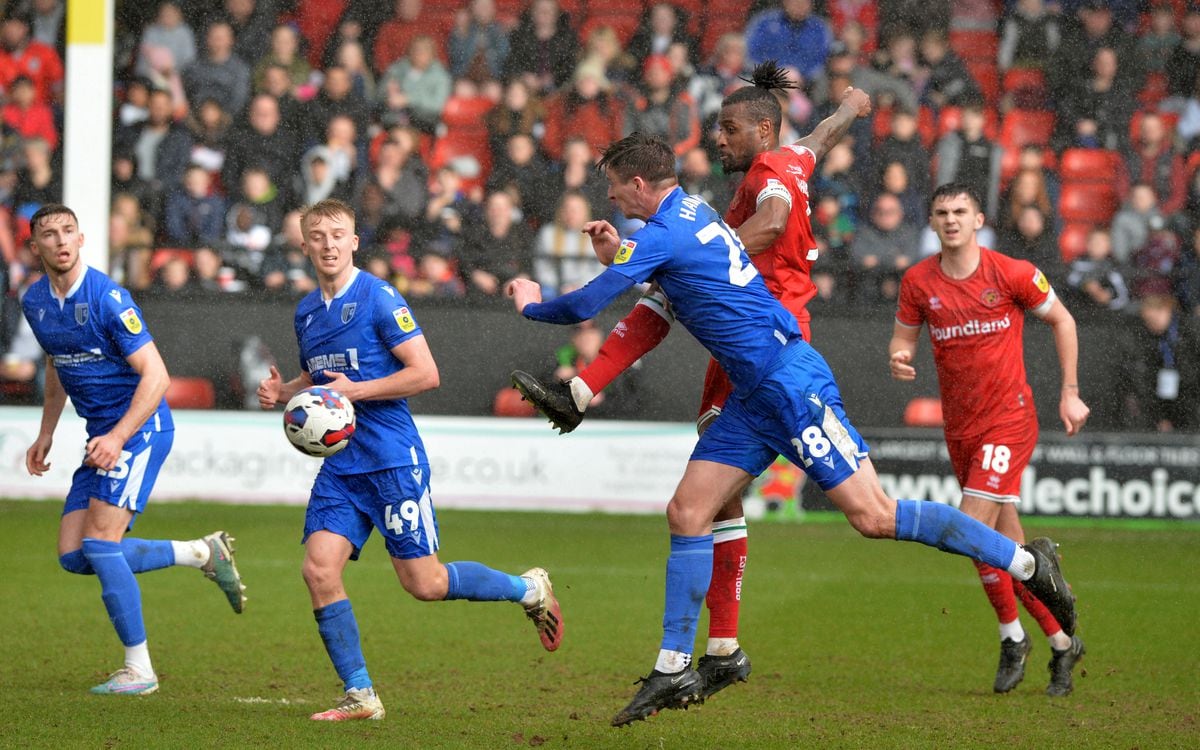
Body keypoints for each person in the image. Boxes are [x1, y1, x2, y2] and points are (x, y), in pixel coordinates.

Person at [505, 133, 1078, 725]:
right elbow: (676, 273)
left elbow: (580, 308)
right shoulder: (689, 212)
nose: (609, 193)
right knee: (688, 512)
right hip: (755, 395)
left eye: (615, 184)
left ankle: (1031, 565)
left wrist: (529, 302)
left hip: (788, 383)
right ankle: (676, 663)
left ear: (640, 185)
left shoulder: (665, 232)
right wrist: (620, 253)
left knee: (875, 517)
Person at [512, 67, 871, 704]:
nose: (717, 139)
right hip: (735, 323)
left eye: (728, 129)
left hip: (762, 330)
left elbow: (773, 218)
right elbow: (821, 135)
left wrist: (705, 247)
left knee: (868, 516)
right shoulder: (787, 156)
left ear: (762, 128)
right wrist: (852, 106)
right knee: (701, 502)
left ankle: (1018, 566)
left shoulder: (766, 177)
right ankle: (719, 651)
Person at [254, 198, 563, 722]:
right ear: (303, 245)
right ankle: (360, 695)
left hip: (393, 461)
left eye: (338, 235)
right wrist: (282, 391)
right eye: (318, 236)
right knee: (318, 569)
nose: (328, 245)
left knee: (426, 584)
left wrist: (358, 392)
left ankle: (528, 589)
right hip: (343, 467)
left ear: (354, 241)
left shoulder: (379, 298)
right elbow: (319, 379)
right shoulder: (306, 312)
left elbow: (425, 373)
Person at [20, 204, 246, 695]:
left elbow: (157, 376)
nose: (59, 240)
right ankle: (200, 552)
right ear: (34, 246)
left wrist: (119, 436)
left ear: (81, 240)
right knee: (74, 555)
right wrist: (47, 433)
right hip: (100, 435)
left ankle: (139, 670)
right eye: (48, 234)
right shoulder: (35, 300)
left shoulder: (107, 297)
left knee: (101, 544)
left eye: (67, 231)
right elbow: (58, 365)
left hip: (138, 430)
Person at [888, 183, 1090, 697]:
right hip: (961, 429)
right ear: (931, 222)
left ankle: (1010, 637)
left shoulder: (1012, 274)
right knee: (1006, 548)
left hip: (1009, 420)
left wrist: (1069, 393)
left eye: (961, 211)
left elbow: (1063, 320)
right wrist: (900, 357)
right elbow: (903, 337)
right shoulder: (917, 281)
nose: (951, 219)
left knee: (968, 529)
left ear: (979, 220)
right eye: (942, 213)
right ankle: (1063, 642)